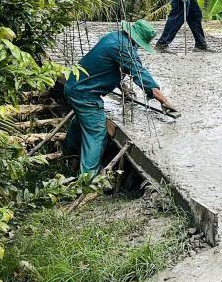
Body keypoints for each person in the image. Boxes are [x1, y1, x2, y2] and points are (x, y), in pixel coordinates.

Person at [64, 20, 175, 176]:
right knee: (96, 132)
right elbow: (141, 75)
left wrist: (123, 88)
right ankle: (87, 180)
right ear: (136, 38)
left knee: (81, 120)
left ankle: (70, 156)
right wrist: (164, 100)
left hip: (74, 84)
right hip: (85, 94)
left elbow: (108, 67)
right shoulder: (124, 48)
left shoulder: (114, 37)